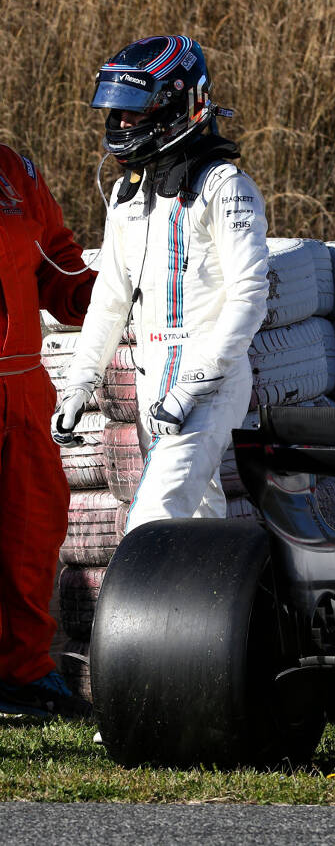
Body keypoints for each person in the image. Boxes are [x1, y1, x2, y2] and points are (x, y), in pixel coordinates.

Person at [54, 35, 269, 534]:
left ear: (175, 108)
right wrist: (78, 383)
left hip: (209, 385)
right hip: (153, 382)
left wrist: (194, 382)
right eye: (117, 114)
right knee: (198, 526)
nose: (121, 125)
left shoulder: (225, 186)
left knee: (150, 526)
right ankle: (227, 608)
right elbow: (108, 301)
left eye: (133, 113)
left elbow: (249, 295)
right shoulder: (127, 194)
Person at [0, 143, 96, 718]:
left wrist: (104, 296)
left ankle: (25, 674)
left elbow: (56, 260)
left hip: (23, 385)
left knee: (30, 535)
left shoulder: (15, 171)